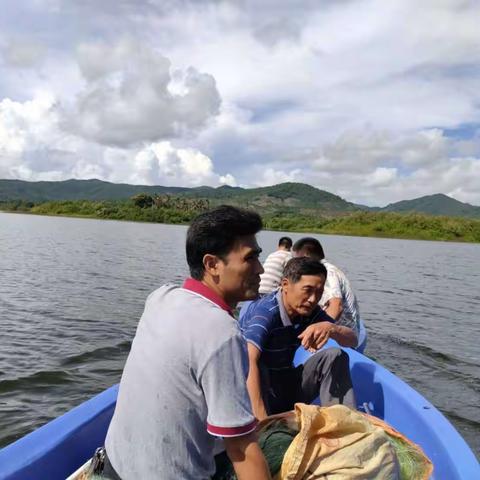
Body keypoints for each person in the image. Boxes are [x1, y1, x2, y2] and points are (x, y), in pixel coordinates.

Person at [104, 206, 271, 480]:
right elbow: (241, 449)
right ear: (212, 264)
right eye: (250, 258)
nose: (260, 269)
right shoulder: (223, 331)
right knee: (273, 444)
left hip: (115, 467)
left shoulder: (160, 297)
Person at [239, 257, 357, 421]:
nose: (312, 299)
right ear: (285, 285)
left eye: (319, 292)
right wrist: (264, 423)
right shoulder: (266, 312)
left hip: (284, 387)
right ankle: (265, 422)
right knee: (256, 362)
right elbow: (247, 360)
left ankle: (342, 424)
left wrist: (332, 328)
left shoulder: (310, 311)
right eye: (307, 290)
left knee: (335, 355)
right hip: (254, 395)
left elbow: (353, 341)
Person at [293, 237, 361, 344]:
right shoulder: (323, 270)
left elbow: (336, 306)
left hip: (343, 336)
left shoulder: (327, 272)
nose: (296, 264)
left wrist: (319, 331)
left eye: (297, 259)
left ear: (306, 255)